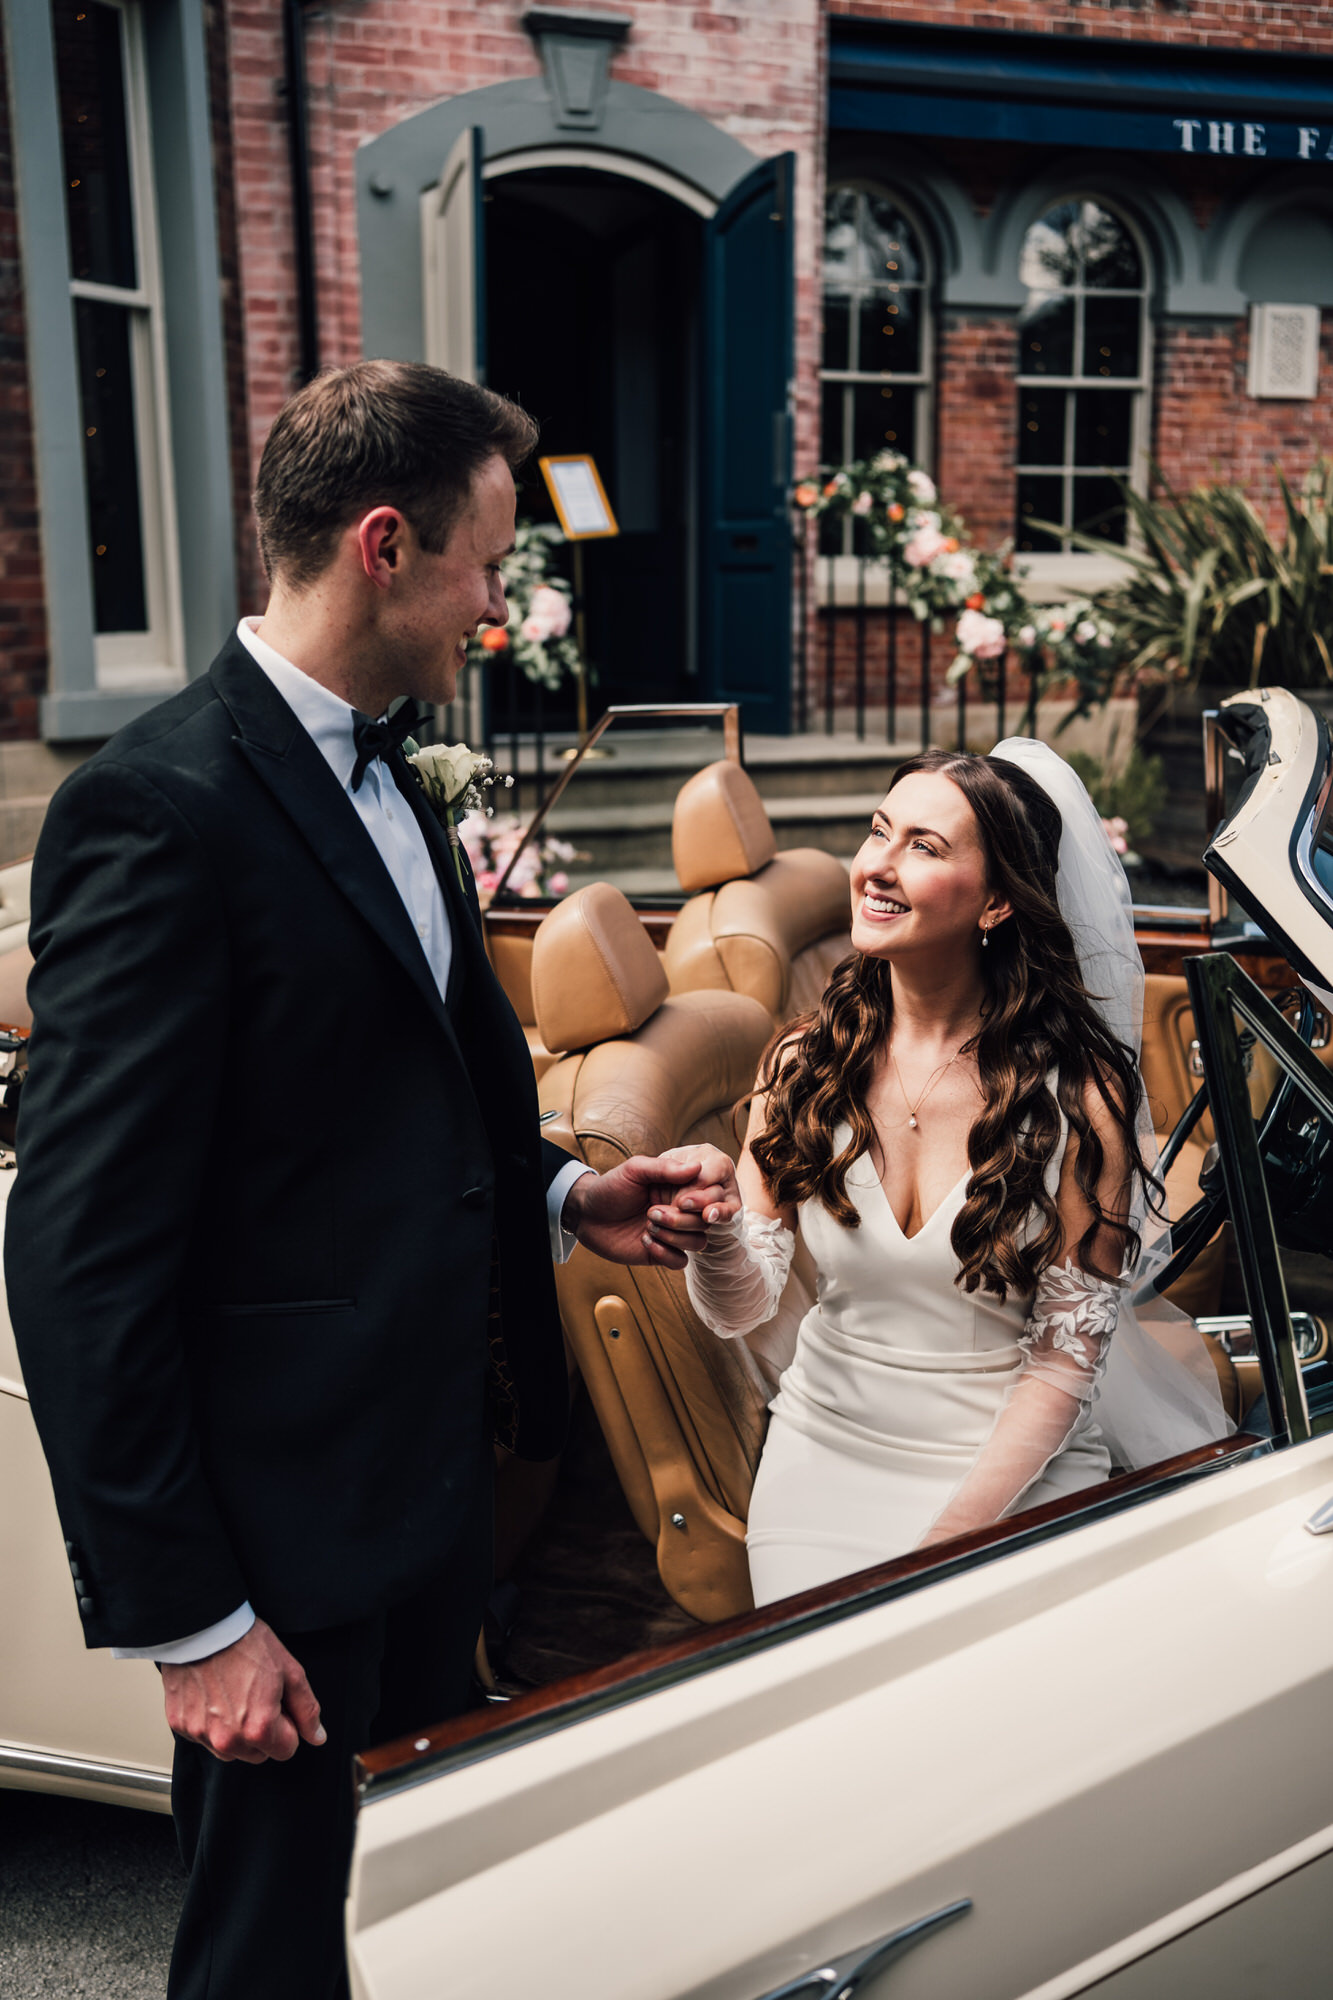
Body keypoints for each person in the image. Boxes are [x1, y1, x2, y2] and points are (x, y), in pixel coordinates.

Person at [5, 361, 718, 2000]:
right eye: (486, 559)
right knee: (268, 1958)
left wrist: (563, 1197)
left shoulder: (391, 775)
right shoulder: (157, 812)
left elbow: (375, 1112)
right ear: (383, 546)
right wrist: (191, 1621)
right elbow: (77, 1250)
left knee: (407, 1941)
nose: (498, 601)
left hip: (426, 1493)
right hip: (279, 1549)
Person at [655, 743, 1230, 1607]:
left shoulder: (1080, 1097)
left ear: (996, 900)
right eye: (879, 832)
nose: (876, 867)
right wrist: (713, 1235)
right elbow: (742, 1308)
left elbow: (1061, 1367)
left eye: (924, 847)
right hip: (825, 1461)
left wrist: (944, 1548)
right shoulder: (804, 1062)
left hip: (1013, 1471)